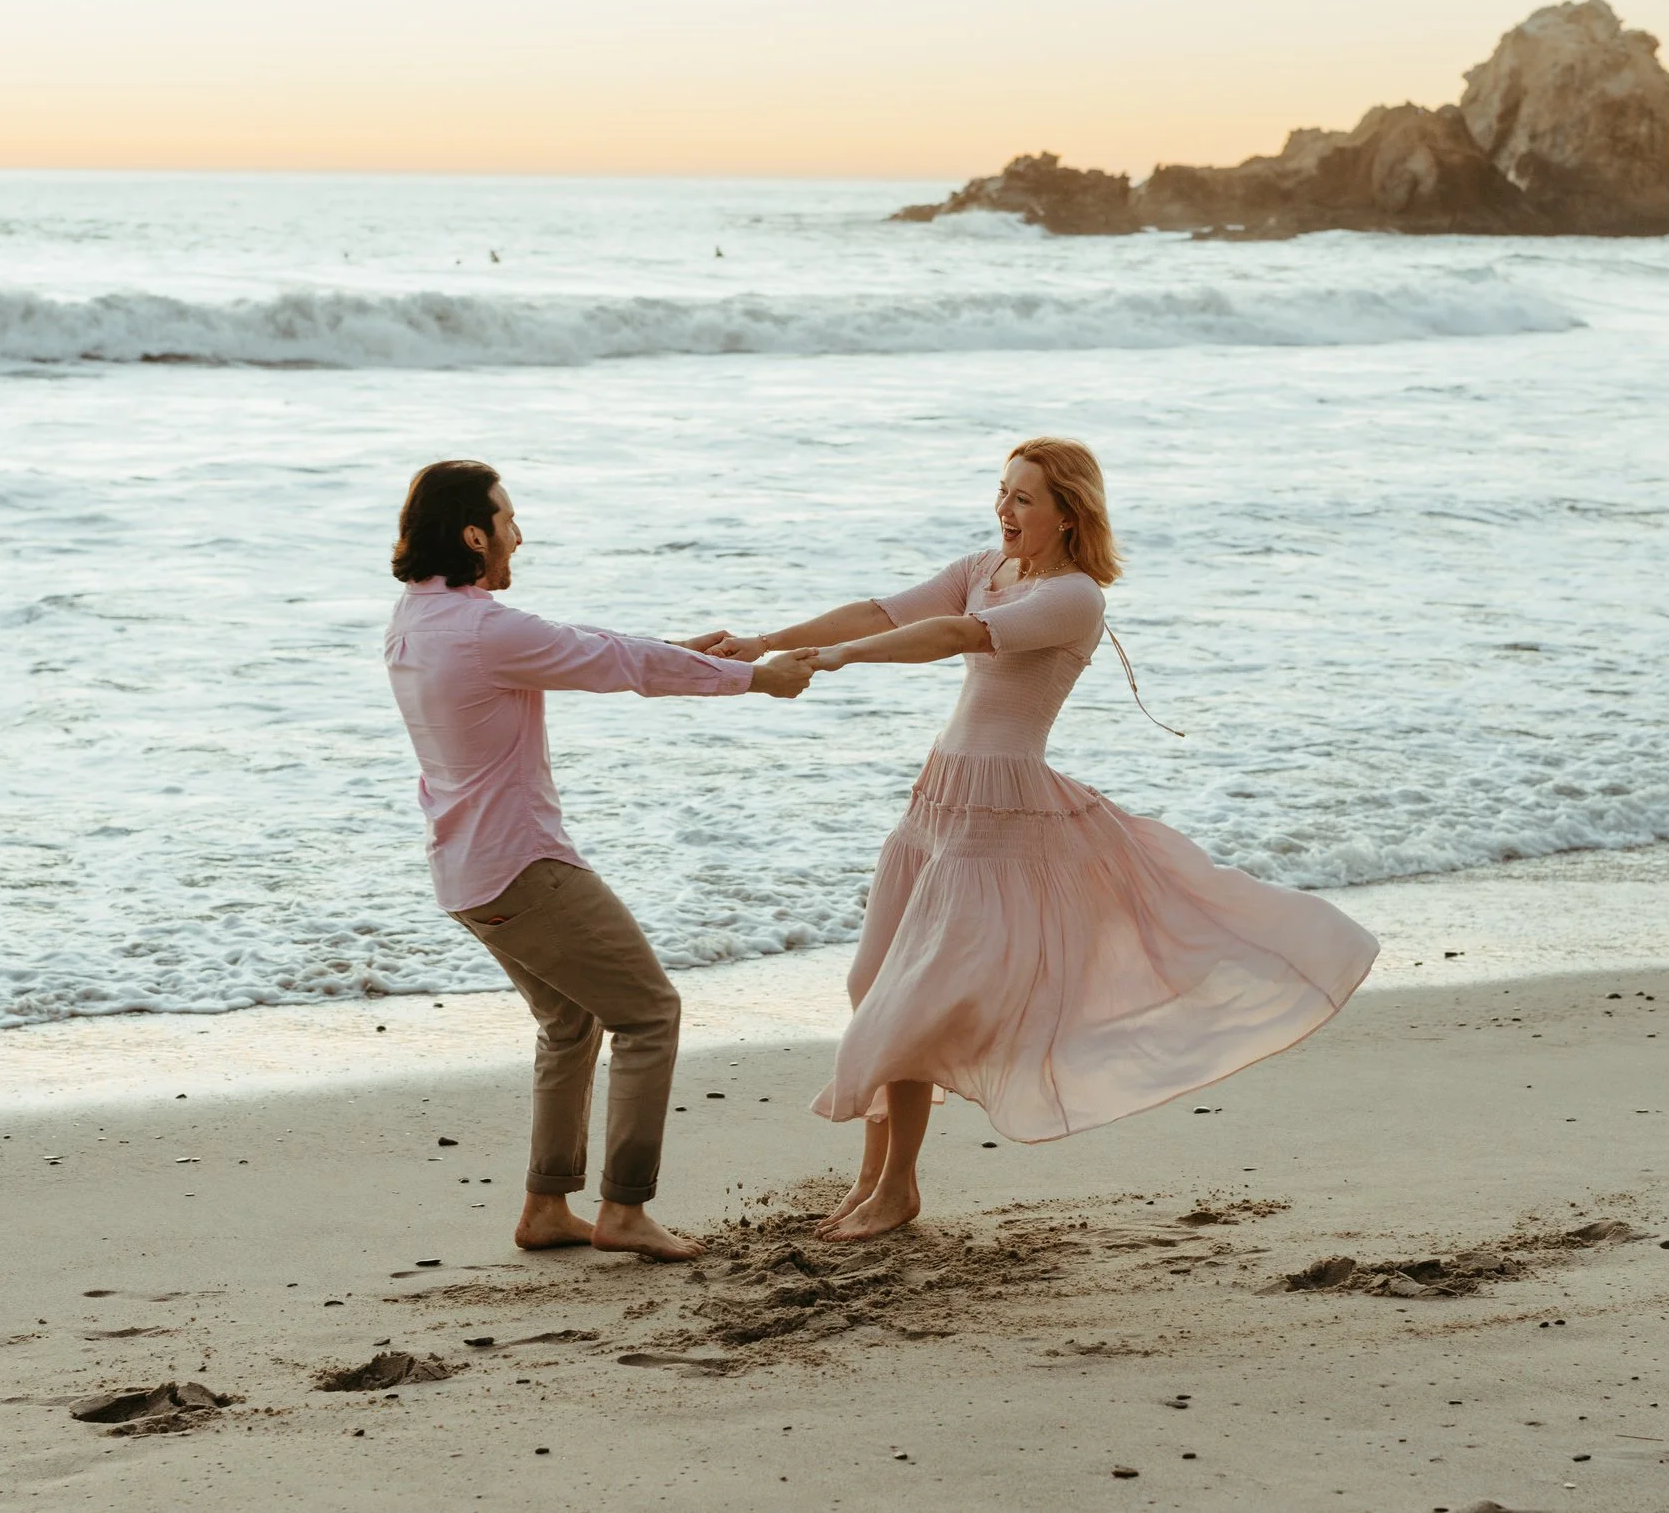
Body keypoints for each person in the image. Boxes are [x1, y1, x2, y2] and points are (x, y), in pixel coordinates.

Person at [709, 437, 1378, 1242]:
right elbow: (885, 611)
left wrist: (840, 658)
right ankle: (869, 1182)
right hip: (935, 805)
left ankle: (898, 1189)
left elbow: (959, 634)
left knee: (911, 1000)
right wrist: (763, 641)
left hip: (999, 820)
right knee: (870, 986)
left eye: (1024, 499)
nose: (1004, 510)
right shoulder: (985, 566)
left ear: (1069, 513)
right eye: (1001, 492)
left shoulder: (1075, 598)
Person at [383, 459, 812, 1261]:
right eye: (508, 519)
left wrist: (682, 653)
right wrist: (754, 677)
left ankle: (547, 1207)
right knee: (649, 1015)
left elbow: (595, 652)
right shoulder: (485, 629)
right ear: (474, 534)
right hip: (523, 867)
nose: (518, 533)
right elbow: (611, 661)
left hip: (465, 872)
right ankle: (624, 1209)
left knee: (567, 1022)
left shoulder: (415, 620)